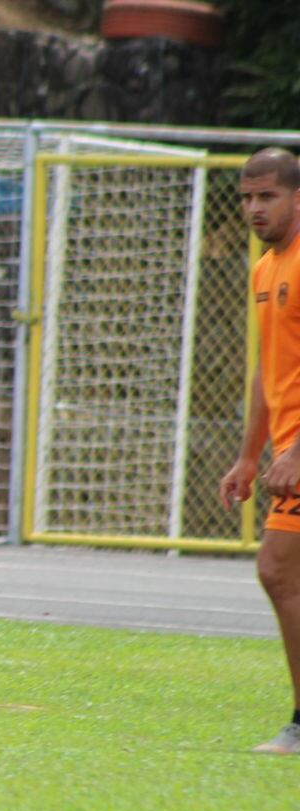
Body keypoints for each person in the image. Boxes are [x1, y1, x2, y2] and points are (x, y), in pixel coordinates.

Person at [220, 146, 300, 752]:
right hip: (286, 451)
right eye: (247, 197)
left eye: (267, 196)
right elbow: (265, 371)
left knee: (278, 569)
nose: (254, 208)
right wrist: (250, 456)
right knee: (281, 573)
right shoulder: (264, 270)